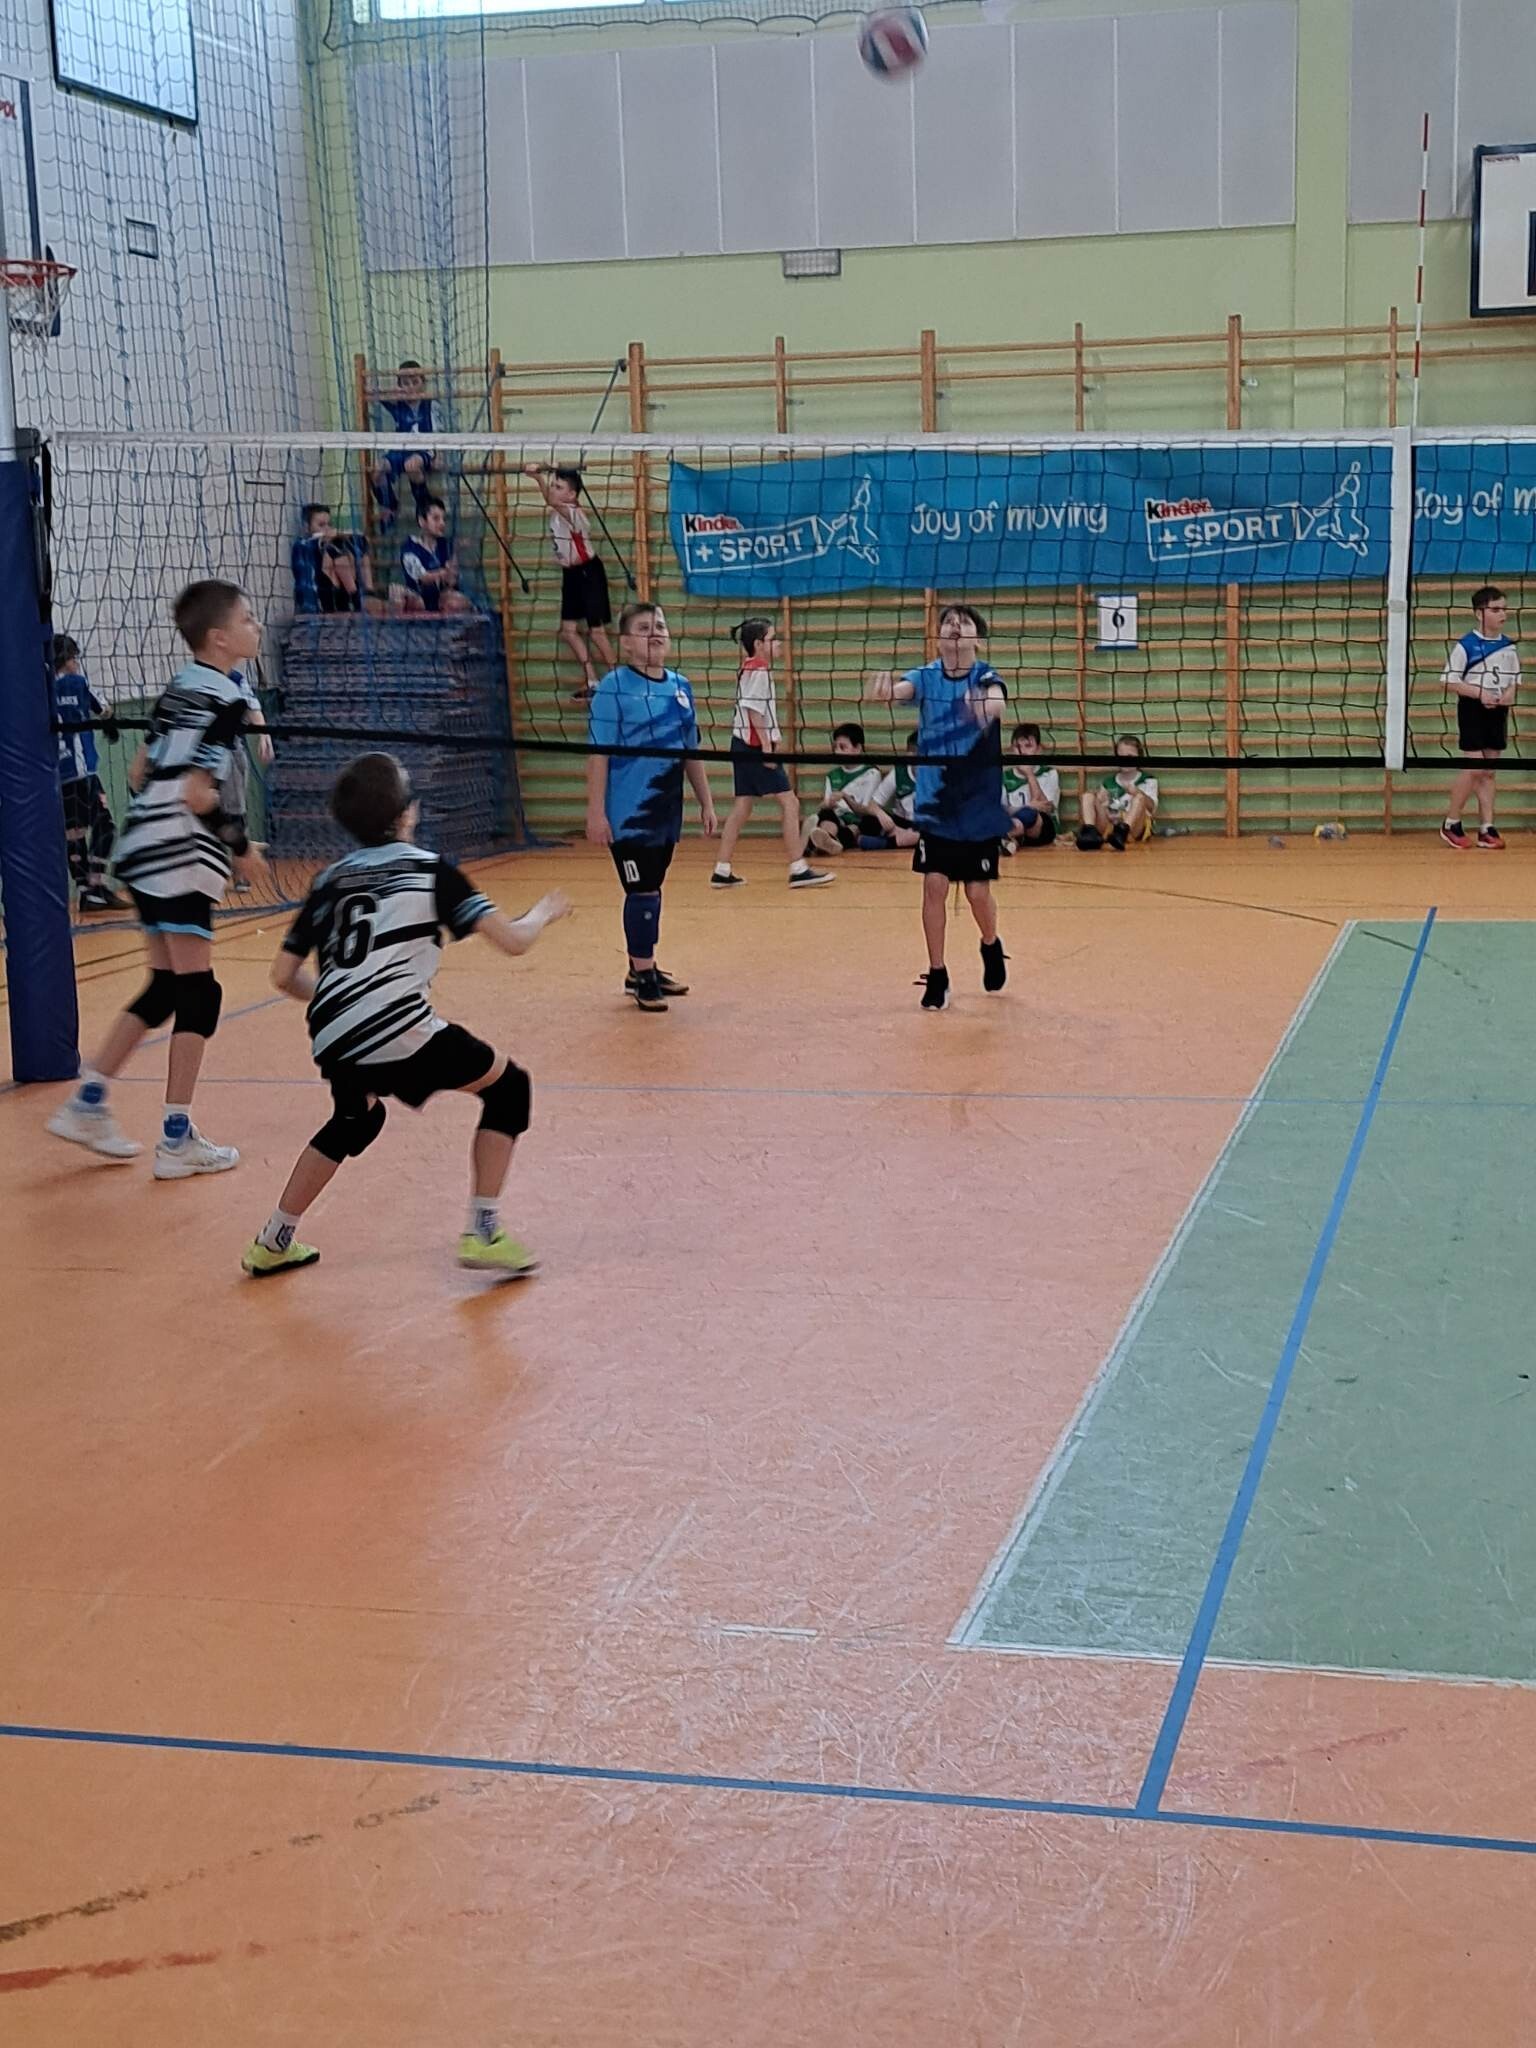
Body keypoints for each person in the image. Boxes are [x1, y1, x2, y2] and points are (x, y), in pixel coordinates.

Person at [241, 753, 571, 1279]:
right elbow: (513, 942)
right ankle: (484, 1232)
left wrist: (345, 998)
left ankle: (274, 1240)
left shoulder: (329, 880)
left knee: (355, 1120)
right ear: (406, 815)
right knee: (509, 1089)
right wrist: (544, 912)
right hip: (399, 1028)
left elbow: (283, 976)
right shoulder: (431, 871)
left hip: (332, 1034)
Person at [47, 580, 264, 1174]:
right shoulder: (227, 699)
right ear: (220, 638)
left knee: (167, 988)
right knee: (199, 994)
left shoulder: (178, 688)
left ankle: (88, 1103)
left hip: (142, 848)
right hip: (178, 855)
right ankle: (176, 1139)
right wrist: (240, 847)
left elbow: (139, 771)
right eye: (247, 619)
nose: (255, 626)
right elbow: (198, 794)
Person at [867, 603, 1008, 1010]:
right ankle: (938, 973)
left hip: (977, 803)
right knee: (934, 885)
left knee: (977, 892)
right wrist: (887, 693)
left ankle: (990, 943)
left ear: (977, 640)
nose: (954, 626)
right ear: (939, 638)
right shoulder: (926, 676)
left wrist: (981, 705)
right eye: (947, 622)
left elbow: (997, 702)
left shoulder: (985, 675)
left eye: (963, 622)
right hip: (936, 803)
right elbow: (902, 691)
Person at [586, 601, 717, 1012]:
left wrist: (706, 802)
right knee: (641, 892)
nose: (655, 632)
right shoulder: (612, 688)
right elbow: (598, 755)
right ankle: (643, 976)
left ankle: (641, 966)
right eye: (644, 628)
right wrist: (595, 812)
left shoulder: (681, 686)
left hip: (666, 811)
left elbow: (691, 751)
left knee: (652, 890)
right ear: (625, 642)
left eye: (660, 625)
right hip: (628, 815)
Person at [710, 617, 831, 890]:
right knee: (790, 803)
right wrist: (767, 747)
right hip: (754, 747)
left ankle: (722, 869)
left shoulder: (749, 668)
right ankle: (798, 869)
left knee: (743, 806)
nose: (778, 644)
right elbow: (754, 711)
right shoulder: (760, 670)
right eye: (772, 639)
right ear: (758, 644)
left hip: (740, 744)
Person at [522, 464, 616, 700]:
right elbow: (552, 502)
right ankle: (592, 680)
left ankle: (617, 680)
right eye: (553, 486)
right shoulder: (557, 512)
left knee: (596, 631)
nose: (553, 490)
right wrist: (541, 477)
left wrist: (538, 478)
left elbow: (551, 501)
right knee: (569, 631)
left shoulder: (574, 514)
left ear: (572, 494)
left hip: (589, 574)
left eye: (559, 487)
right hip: (571, 575)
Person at [51, 634, 125, 911]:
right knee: (106, 827)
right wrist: (111, 725)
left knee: (74, 832)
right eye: (75, 658)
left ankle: (86, 892)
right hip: (83, 771)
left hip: (58, 774)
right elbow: (103, 708)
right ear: (68, 660)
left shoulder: (41, 689)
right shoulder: (78, 683)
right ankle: (95, 885)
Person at [1441, 584, 1518, 850]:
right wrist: (1479, 693)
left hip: (1498, 710)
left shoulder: (1508, 647)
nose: (1502, 614)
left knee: (1489, 771)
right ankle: (1451, 822)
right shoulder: (1466, 645)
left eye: (1504, 609)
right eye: (1495, 609)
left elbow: (1514, 680)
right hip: (1473, 708)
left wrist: (1508, 695)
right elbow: (1449, 681)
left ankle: (1487, 828)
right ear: (1479, 613)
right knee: (1474, 767)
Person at [371, 359, 436, 528]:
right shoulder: (398, 404)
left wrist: (439, 455)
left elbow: (440, 433)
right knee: (377, 469)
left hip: (423, 450)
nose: (411, 387)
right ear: (399, 386)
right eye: (405, 383)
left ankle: (424, 507)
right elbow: (372, 392)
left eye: (415, 382)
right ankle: (390, 505)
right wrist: (395, 392)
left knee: (411, 466)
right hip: (400, 450)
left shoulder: (430, 403)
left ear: (423, 383)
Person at [806, 724, 887, 855]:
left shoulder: (872, 773)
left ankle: (820, 843)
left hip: (858, 821)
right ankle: (827, 838)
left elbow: (867, 810)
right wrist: (827, 804)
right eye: (835, 747)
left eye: (843, 747)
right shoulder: (832, 776)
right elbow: (825, 804)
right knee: (825, 814)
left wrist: (845, 797)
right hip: (838, 821)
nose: (837, 752)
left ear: (858, 748)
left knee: (870, 822)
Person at [291, 503, 378, 615]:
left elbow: (361, 543)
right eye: (321, 525)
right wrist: (331, 539)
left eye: (329, 524)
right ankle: (356, 598)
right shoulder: (302, 545)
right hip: (315, 603)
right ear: (307, 527)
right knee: (336, 547)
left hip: (336, 595)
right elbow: (314, 546)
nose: (326, 529)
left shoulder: (326, 542)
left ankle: (368, 593)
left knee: (356, 544)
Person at [1076, 735, 1159, 851]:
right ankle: (1090, 832)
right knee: (1088, 796)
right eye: (1121, 756)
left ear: (1139, 757)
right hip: (1110, 826)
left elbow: (1152, 808)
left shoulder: (1147, 780)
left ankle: (1122, 832)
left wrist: (1137, 792)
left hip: (1134, 828)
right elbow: (1100, 807)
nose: (1125, 760)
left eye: (1130, 756)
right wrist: (1103, 803)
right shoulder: (1108, 782)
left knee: (1139, 798)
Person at [394, 496, 472, 616]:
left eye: (443, 519)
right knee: (398, 594)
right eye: (436, 519)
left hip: (441, 598)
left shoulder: (444, 544)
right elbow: (422, 577)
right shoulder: (409, 548)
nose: (442, 523)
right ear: (422, 521)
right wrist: (443, 573)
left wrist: (455, 554)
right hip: (419, 599)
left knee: (458, 602)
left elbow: (451, 581)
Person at [1002, 723, 1060, 852]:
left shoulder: (1049, 773)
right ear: (1012, 749)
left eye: (1028, 746)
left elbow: (1045, 809)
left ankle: (1008, 835)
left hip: (1042, 830)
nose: (1022, 751)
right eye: (1018, 747)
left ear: (1038, 749)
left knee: (1030, 813)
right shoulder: (1004, 777)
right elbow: (1001, 809)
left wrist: (1029, 774)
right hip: (1014, 822)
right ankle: (1012, 841)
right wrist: (1027, 806)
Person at [867, 733, 922, 849]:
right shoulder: (899, 772)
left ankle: (889, 843)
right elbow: (872, 804)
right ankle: (903, 837)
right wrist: (880, 814)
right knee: (869, 820)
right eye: (912, 752)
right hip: (902, 823)